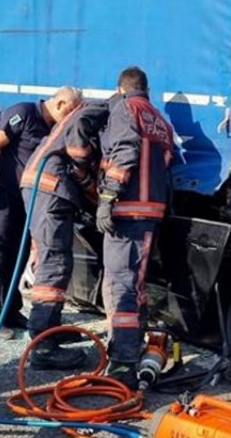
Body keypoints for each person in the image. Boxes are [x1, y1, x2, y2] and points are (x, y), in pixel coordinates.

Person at [0, 87, 83, 339]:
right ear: (61, 102)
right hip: (0, 197)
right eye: (71, 109)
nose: (72, 115)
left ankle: (11, 311)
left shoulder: (53, 129)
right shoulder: (23, 113)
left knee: (17, 258)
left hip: (27, 202)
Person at [95, 67, 175, 388]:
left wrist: (107, 198)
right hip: (151, 212)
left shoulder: (125, 109)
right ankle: (133, 345)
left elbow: (125, 151)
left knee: (120, 284)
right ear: (147, 89)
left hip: (127, 210)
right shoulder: (159, 119)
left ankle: (123, 363)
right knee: (135, 282)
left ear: (121, 88)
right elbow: (166, 160)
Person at [20, 94, 108, 371]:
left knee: (54, 259)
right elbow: (80, 143)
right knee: (55, 262)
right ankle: (43, 348)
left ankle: (49, 330)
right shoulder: (100, 109)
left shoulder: (89, 109)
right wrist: (86, 181)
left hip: (42, 186)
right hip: (51, 187)